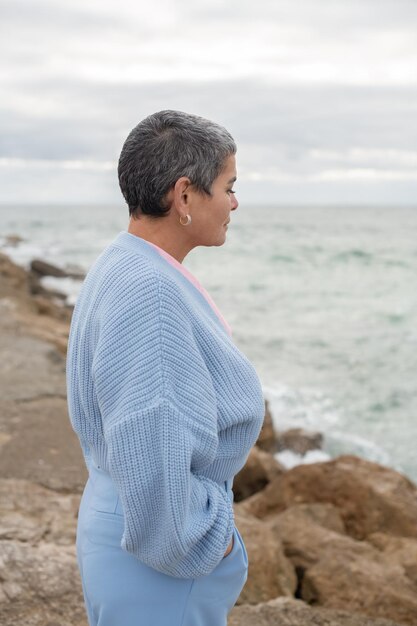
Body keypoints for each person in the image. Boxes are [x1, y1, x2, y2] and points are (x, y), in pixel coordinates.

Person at [66, 110, 265, 626]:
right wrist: (209, 540)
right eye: (228, 186)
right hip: (158, 561)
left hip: (130, 534)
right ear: (183, 196)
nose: (235, 202)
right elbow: (148, 439)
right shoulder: (149, 294)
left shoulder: (125, 261)